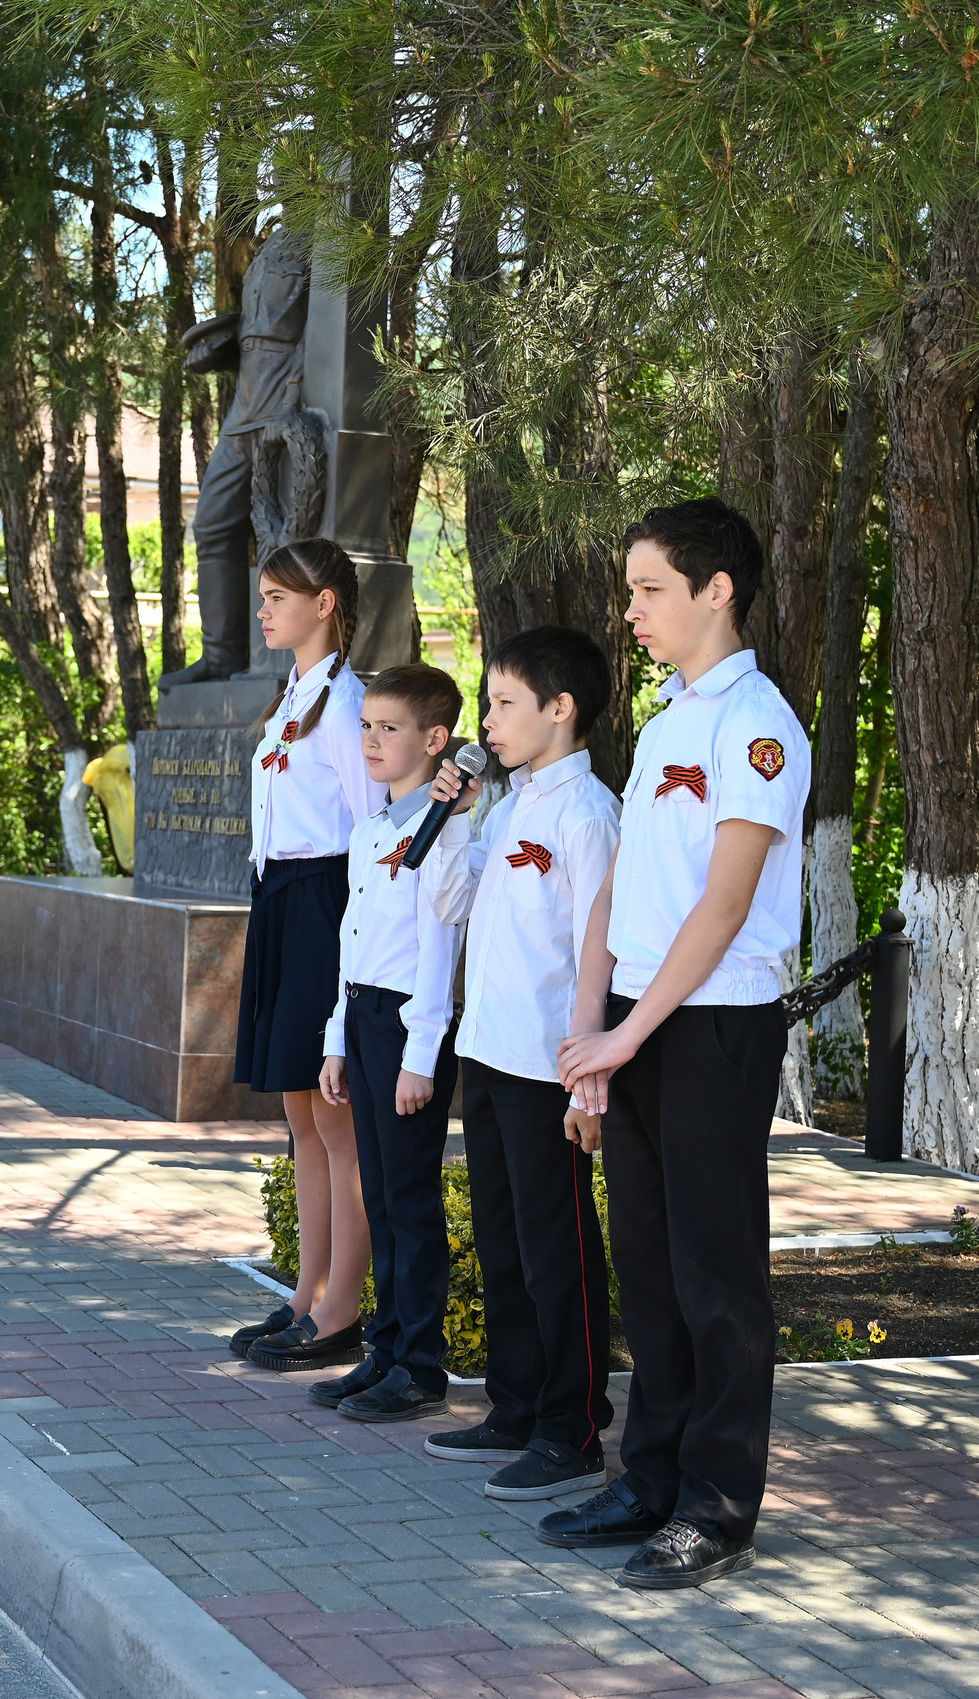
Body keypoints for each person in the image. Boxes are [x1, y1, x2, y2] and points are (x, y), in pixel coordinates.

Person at [544, 498, 812, 1591]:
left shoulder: (757, 725)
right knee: (647, 1263)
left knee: (717, 1272)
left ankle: (716, 1503)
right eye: (631, 588)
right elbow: (621, 884)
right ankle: (646, 1476)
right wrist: (590, 1026)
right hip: (642, 1023)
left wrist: (626, 1033)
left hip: (712, 1024)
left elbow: (723, 903)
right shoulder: (665, 721)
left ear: (717, 591)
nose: (633, 609)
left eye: (651, 588)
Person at [423, 626, 621, 1504]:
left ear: (560, 708)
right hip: (488, 1055)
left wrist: (589, 1078)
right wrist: (451, 818)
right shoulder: (504, 807)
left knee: (558, 1251)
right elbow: (452, 903)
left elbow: (600, 949)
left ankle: (569, 1428)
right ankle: (513, 1405)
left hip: (549, 1065)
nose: (489, 722)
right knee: (502, 1243)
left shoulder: (588, 813)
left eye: (505, 703)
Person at [291, 661, 469, 1419]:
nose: (370, 740)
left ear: (436, 739)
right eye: (365, 725)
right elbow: (352, 945)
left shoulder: (445, 830)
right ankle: (386, 1350)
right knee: (378, 1193)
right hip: (362, 1018)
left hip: (408, 1025)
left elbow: (440, 949)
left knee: (409, 1197)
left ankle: (419, 1364)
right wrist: (335, 1040)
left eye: (388, 728)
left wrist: (420, 1057)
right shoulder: (372, 832)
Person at [228, 540, 383, 1371]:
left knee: (336, 1119)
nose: (264, 611)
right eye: (261, 597)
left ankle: (341, 1310)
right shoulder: (293, 696)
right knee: (300, 1114)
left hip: (328, 904)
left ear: (324, 603)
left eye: (277, 597)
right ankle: (306, 1293)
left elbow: (369, 836)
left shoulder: (350, 700)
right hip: (281, 902)